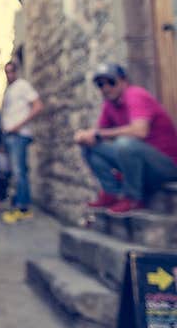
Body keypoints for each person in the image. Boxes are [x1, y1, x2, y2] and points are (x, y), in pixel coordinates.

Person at [73, 62, 177, 214]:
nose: (106, 88)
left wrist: (97, 134)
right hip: (142, 166)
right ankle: (112, 193)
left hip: (166, 167)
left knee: (125, 144)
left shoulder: (135, 95)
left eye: (111, 82)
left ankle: (133, 198)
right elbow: (97, 135)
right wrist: (83, 136)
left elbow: (140, 131)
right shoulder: (110, 104)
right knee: (90, 147)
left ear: (123, 81)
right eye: (100, 84)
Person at [0, 61, 44, 223]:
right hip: (10, 136)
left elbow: (38, 106)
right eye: (6, 72)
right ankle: (17, 203)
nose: (9, 75)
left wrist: (18, 125)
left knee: (19, 171)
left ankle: (23, 208)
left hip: (19, 135)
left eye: (11, 71)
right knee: (15, 171)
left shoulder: (23, 85)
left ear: (16, 71)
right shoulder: (9, 89)